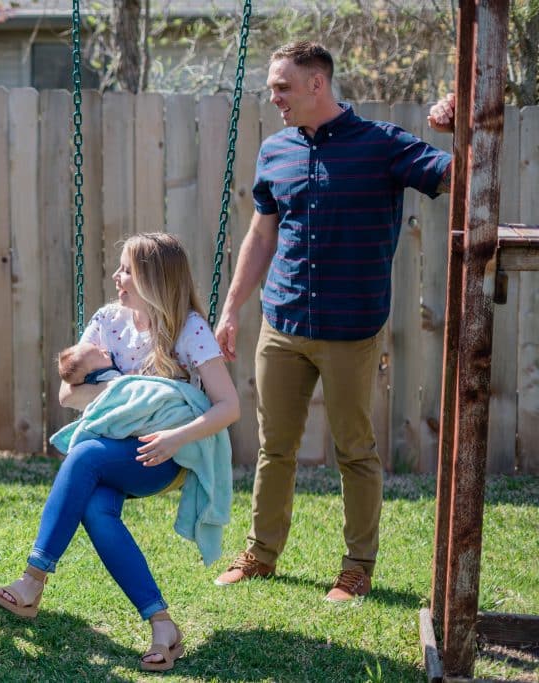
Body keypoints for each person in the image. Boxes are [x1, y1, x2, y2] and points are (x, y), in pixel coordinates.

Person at [212, 41, 453, 602]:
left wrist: (464, 124)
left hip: (351, 330)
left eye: (282, 87)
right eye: (273, 88)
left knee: (354, 450)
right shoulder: (275, 151)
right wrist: (231, 307)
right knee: (275, 447)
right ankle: (261, 553)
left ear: (317, 84)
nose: (274, 98)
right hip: (283, 324)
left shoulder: (383, 145)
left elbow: (454, 176)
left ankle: (356, 567)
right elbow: (262, 233)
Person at [0, 233, 240, 672]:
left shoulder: (188, 329)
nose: (116, 277)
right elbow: (69, 393)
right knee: (96, 508)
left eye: (127, 269)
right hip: (112, 446)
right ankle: (163, 626)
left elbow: (228, 406)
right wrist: (119, 395)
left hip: (161, 456)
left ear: (153, 279)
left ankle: (32, 581)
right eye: (120, 268)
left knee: (83, 456)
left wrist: (175, 437)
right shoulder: (108, 321)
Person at [57, 341, 122, 386]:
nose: (104, 351)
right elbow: (123, 381)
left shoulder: (96, 370)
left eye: (99, 349)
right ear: (93, 372)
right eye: (101, 355)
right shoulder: (105, 376)